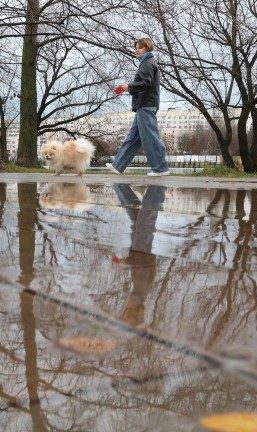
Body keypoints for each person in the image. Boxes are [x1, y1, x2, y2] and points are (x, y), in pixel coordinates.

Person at [107, 38, 170, 176]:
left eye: (140, 48)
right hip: (144, 104)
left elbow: (146, 82)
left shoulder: (147, 63)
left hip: (146, 104)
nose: (136, 50)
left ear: (147, 48)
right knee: (133, 138)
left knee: (151, 137)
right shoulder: (147, 62)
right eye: (136, 47)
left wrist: (129, 87)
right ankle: (118, 165)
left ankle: (161, 168)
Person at [112, 183, 166, 326]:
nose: (125, 307)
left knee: (135, 213)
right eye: (126, 311)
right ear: (131, 309)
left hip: (139, 247)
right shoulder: (139, 293)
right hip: (142, 247)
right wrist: (125, 261)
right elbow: (143, 263)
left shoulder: (139, 293)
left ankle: (120, 186)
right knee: (146, 220)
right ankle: (158, 188)